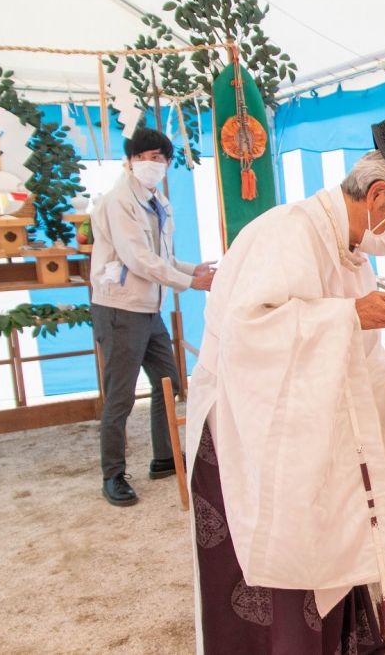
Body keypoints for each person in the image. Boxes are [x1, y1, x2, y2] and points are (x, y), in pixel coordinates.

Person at [184, 110, 385, 654]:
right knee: (285, 578)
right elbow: (247, 337)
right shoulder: (286, 233)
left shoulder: (353, 257)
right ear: (380, 195)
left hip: (312, 444)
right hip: (251, 443)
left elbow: (360, 356)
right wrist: (347, 316)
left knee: (333, 548)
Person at [89, 127, 214, 507]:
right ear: (131, 159)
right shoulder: (118, 201)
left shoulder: (156, 200)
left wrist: (195, 270)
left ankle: (164, 457)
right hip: (120, 308)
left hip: (149, 309)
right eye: (147, 156)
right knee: (122, 396)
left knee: (168, 380)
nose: (154, 164)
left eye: (160, 158)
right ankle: (112, 475)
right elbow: (137, 259)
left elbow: (162, 255)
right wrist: (188, 283)